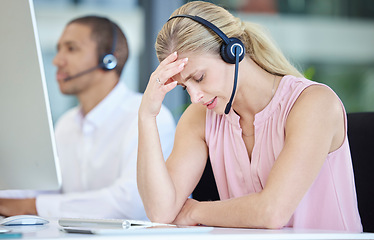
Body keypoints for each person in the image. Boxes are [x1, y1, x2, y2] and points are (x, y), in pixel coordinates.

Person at [137, 1, 362, 231]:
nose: (195, 97)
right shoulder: (200, 117)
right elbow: (161, 211)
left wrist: (193, 210)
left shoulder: (314, 104)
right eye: (185, 87)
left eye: (199, 77)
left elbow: (272, 212)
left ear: (233, 51)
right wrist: (147, 116)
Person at [0, 16, 176, 220]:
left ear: (109, 60)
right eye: (59, 49)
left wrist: (31, 206)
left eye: (71, 48)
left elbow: (130, 204)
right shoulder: (66, 124)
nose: (57, 60)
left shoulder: (151, 116)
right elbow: (46, 189)